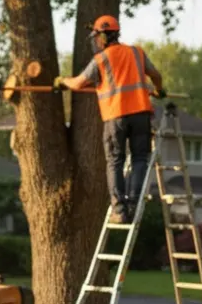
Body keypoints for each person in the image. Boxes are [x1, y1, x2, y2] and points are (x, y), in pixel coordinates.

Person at [55, 15, 167, 223]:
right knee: (140, 159)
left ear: (103, 37)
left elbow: (79, 83)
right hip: (141, 114)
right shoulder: (136, 53)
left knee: (115, 162)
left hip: (116, 117)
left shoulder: (101, 59)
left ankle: (120, 211)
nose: (96, 41)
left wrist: (62, 82)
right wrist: (159, 90)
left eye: (97, 36)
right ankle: (133, 205)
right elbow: (156, 75)